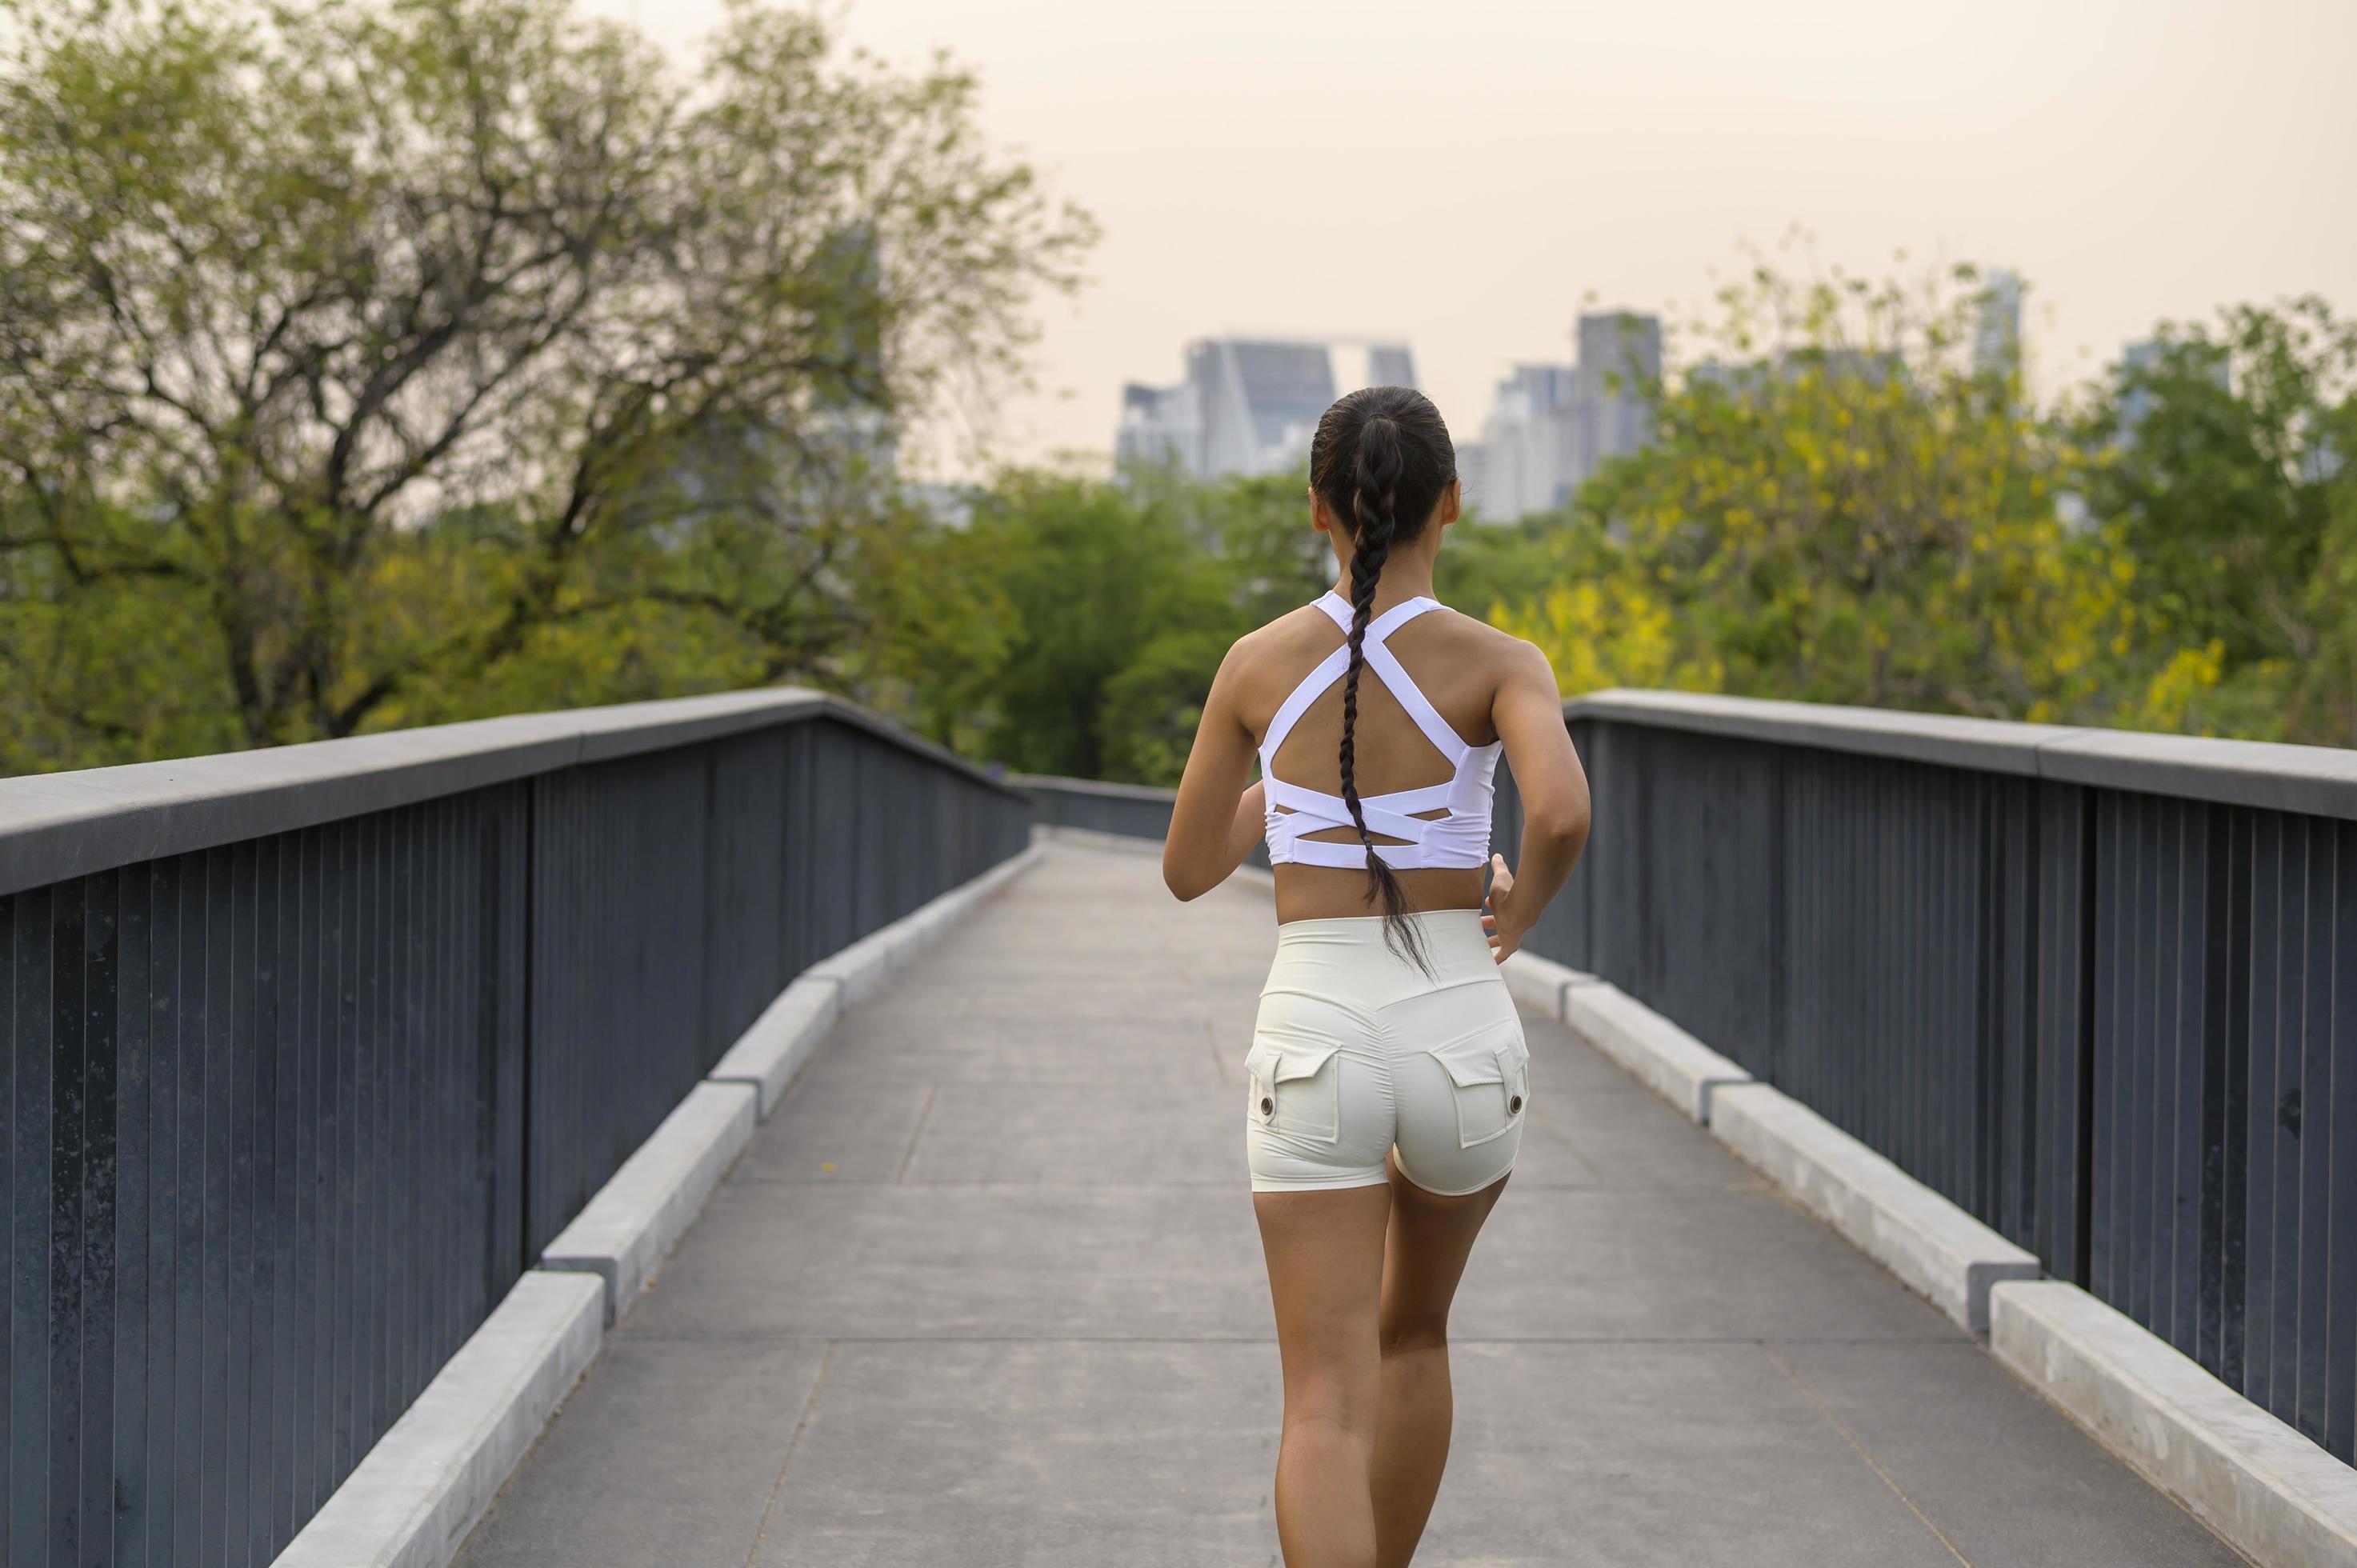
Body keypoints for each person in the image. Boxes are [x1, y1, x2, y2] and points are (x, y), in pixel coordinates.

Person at [1162, 385, 1591, 1567]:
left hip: (1315, 1029)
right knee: (1413, 1340)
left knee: (1321, 1401)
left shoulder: (1256, 663)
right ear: (1449, 502)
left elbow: (1189, 868)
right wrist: (1521, 911)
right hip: (1458, 1022)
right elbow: (1557, 809)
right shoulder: (1501, 660)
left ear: (1318, 510)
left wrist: (1290, 795)